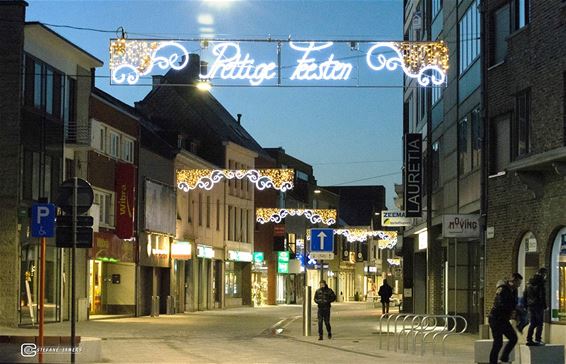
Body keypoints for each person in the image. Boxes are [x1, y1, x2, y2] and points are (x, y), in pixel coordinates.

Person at [489, 273, 523, 364]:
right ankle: (493, 362)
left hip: (504, 319)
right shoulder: (502, 289)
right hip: (496, 318)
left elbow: (513, 303)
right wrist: (513, 309)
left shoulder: (514, 290)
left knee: (513, 338)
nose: (519, 285)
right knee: (498, 342)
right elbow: (500, 304)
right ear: (513, 281)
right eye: (518, 282)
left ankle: (504, 357)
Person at [524, 267, 547, 346]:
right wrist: (545, 306)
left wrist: (525, 305)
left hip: (531, 305)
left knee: (533, 323)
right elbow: (542, 295)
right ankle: (538, 339)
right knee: (540, 323)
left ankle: (529, 339)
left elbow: (525, 294)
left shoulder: (529, 282)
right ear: (543, 274)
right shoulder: (540, 282)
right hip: (538, 305)